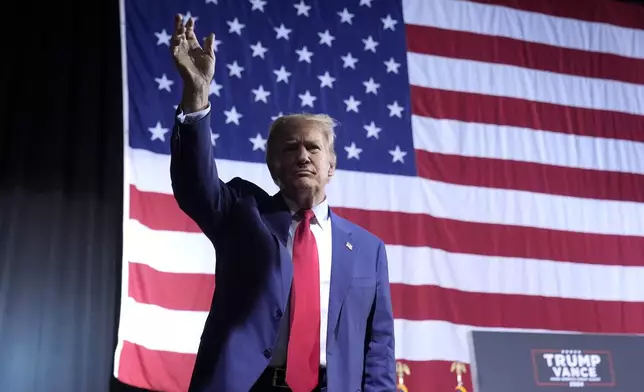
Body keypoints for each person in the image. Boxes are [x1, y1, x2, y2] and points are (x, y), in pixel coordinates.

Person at [169, 14, 396, 392]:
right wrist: (197, 96)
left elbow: (379, 346)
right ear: (274, 167)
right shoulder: (243, 212)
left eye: (313, 148)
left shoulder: (369, 250)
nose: (303, 156)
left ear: (332, 165)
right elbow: (195, 185)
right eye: (291, 149)